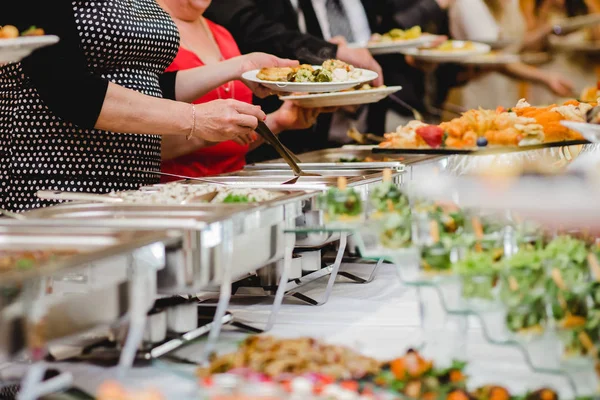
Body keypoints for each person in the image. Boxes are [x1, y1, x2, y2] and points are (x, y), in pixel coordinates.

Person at [1, 0, 296, 211]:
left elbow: (147, 86)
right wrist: (194, 117)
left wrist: (240, 66)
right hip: (55, 179)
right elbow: (68, 89)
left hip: (133, 186)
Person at [205, 0, 456, 161]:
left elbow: (380, 40)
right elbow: (263, 33)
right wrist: (332, 53)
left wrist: (414, 57)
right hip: (285, 142)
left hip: (368, 128)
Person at [157, 0, 326, 180]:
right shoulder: (146, 34)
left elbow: (234, 139)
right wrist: (205, 134)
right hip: (173, 191)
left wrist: (278, 121)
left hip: (234, 184)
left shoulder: (222, 34)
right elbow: (134, 145)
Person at [448, 0, 575, 110]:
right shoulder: (470, 4)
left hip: (507, 90)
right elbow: (496, 57)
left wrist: (546, 27)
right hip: (480, 91)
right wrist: (546, 78)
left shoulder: (510, 3)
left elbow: (516, 46)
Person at [519, 0, 600, 105]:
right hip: (548, 77)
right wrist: (545, 9)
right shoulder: (539, 7)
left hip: (582, 74)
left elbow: (597, 40)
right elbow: (529, 47)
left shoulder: (584, 6)